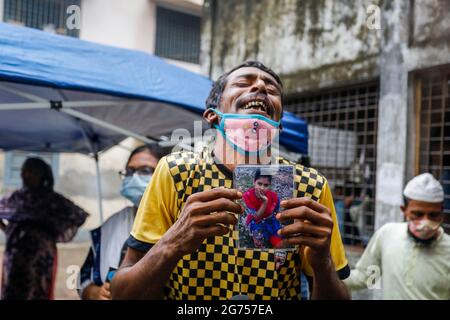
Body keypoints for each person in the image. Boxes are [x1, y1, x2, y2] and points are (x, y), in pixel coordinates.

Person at [111, 61, 351, 300]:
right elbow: (122, 295)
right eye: (243, 83)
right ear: (212, 116)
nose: (259, 86)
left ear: (279, 124)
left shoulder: (309, 186)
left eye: (272, 88)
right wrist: (172, 243)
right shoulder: (176, 172)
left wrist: (323, 263)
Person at [78, 144, 167, 300]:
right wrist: (94, 293)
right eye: (130, 171)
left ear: (166, 175)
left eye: (145, 171)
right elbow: (82, 280)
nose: (134, 178)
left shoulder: (181, 225)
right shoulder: (108, 228)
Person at [343, 173, 450, 300]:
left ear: (442, 213)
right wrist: (324, 273)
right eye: (418, 214)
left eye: (433, 215)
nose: (425, 222)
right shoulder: (387, 235)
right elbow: (366, 278)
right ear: (404, 210)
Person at [0, 157, 88, 299]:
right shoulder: (16, 197)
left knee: (37, 291)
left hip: (40, 258)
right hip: (15, 256)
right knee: (13, 291)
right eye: (23, 171)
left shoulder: (51, 199)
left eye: (29, 171)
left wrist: (54, 233)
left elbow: (78, 216)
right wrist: (8, 230)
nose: (24, 175)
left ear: (40, 174)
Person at [243, 169, 283, 248]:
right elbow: (255, 217)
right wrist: (265, 202)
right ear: (254, 182)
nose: (262, 188)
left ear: (269, 185)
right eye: (259, 184)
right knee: (259, 244)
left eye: (266, 185)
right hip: (255, 222)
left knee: (279, 243)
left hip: (270, 220)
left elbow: (276, 213)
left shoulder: (274, 197)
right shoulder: (247, 195)